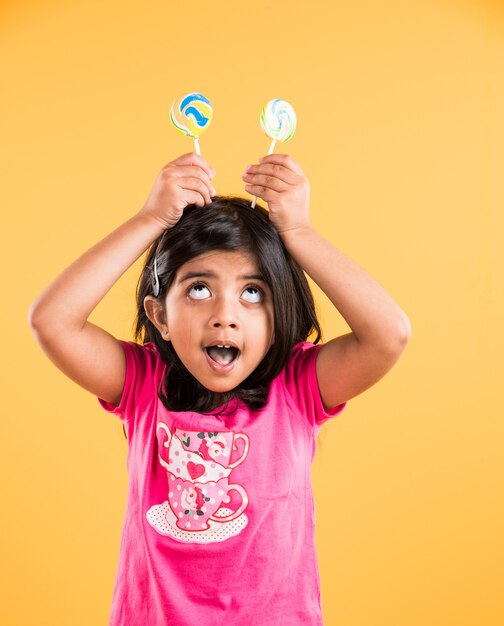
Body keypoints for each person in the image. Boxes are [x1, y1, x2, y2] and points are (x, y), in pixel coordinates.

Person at [28, 152, 411, 625]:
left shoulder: (298, 386)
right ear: (159, 316)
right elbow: (51, 321)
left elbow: (388, 335)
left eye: (253, 292)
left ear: (279, 316)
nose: (224, 314)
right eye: (199, 289)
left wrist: (299, 233)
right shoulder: (143, 384)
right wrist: (150, 218)